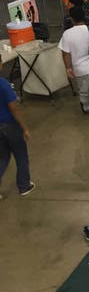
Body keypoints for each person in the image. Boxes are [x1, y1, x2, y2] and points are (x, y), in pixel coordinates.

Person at [59, 7, 89, 123]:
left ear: (71, 19)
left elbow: (65, 53)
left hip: (79, 68)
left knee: (83, 89)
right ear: (84, 17)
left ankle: (86, 107)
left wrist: (68, 68)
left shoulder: (67, 34)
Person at [0, 63, 35, 198]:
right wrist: (25, 128)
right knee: (21, 155)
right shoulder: (3, 84)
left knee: (2, 158)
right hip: (10, 125)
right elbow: (13, 108)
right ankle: (24, 186)